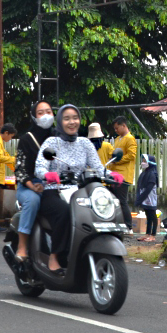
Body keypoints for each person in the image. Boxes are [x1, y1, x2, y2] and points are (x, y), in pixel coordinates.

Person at [35, 104, 105, 274]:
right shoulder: (52, 142)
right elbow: (39, 166)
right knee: (65, 212)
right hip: (54, 191)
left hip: (79, 191)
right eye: (66, 119)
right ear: (60, 121)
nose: (72, 122)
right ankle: (55, 256)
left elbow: (98, 167)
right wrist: (47, 175)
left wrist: (112, 174)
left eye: (75, 118)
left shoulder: (85, 143)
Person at [13, 101, 55, 261]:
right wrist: (33, 186)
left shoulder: (58, 136)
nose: (46, 115)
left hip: (55, 184)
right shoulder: (26, 139)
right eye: (41, 112)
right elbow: (20, 170)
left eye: (49, 112)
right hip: (30, 186)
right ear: (34, 116)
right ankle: (22, 246)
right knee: (32, 201)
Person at [109, 116, 138, 233]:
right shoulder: (117, 139)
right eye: (115, 129)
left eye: (117, 128)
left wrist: (117, 160)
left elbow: (131, 155)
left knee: (122, 200)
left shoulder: (130, 139)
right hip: (114, 175)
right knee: (115, 201)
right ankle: (119, 224)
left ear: (123, 125)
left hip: (124, 175)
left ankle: (128, 226)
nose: (116, 130)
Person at [135, 154, 159, 242]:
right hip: (144, 198)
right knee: (148, 216)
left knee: (153, 216)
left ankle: (153, 235)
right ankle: (147, 234)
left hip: (150, 198)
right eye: (143, 161)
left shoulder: (152, 174)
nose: (143, 163)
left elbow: (149, 188)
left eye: (145, 161)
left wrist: (140, 198)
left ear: (150, 162)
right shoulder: (144, 173)